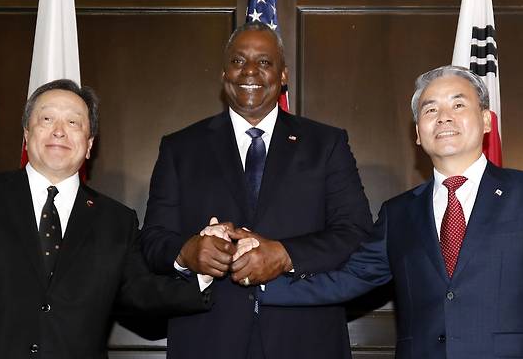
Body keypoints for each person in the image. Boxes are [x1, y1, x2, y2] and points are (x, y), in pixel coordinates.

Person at [257, 65, 523, 358]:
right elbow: (346, 280)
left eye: (458, 104)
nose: (444, 117)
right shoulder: (399, 214)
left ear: (487, 120)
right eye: (430, 109)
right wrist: (254, 286)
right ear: (419, 135)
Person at [0, 79, 212, 359]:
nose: (59, 131)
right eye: (47, 119)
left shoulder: (116, 221)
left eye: (73, 122)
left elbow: (141, 294)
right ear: (26, 134)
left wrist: (202, 274)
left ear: (89, 145)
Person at [140, 21, 372, 359]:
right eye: (238, 61)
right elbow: (152, 240)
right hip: (207, 340)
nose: (249, 71)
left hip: (306, 341)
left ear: (283, 76)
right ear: (223, 74)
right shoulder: (180, 148)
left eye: (264, 62)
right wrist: (186, 253)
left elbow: (356, 233)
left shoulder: (326, 144)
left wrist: (285, 255)